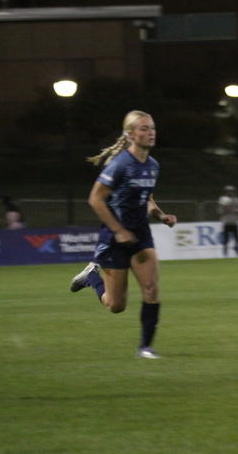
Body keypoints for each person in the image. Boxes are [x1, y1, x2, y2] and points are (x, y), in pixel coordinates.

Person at [69, 110, 177, 359]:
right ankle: (91, 278)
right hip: (114, 239)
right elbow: (95, 199)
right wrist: (118, 230)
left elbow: (146, 197)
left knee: (151, 288)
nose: (150, 133)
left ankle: (145, 348)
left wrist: (161, 216)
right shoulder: (119, 165)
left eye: (152, 128)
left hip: (140, 235)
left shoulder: (152, 166)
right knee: (116, 305)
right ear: (130, 135)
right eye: (143, 129)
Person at [218, 185, 238, 256]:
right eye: (228, 191)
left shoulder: (237, 200)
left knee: (237, 239)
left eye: (231, 191)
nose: (229, 193)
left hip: (235, 221)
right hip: (226, 222)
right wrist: (225, 209)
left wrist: (236, 211)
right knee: (225, 240)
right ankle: (225, 253)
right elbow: (220, 211)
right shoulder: (223, 200)